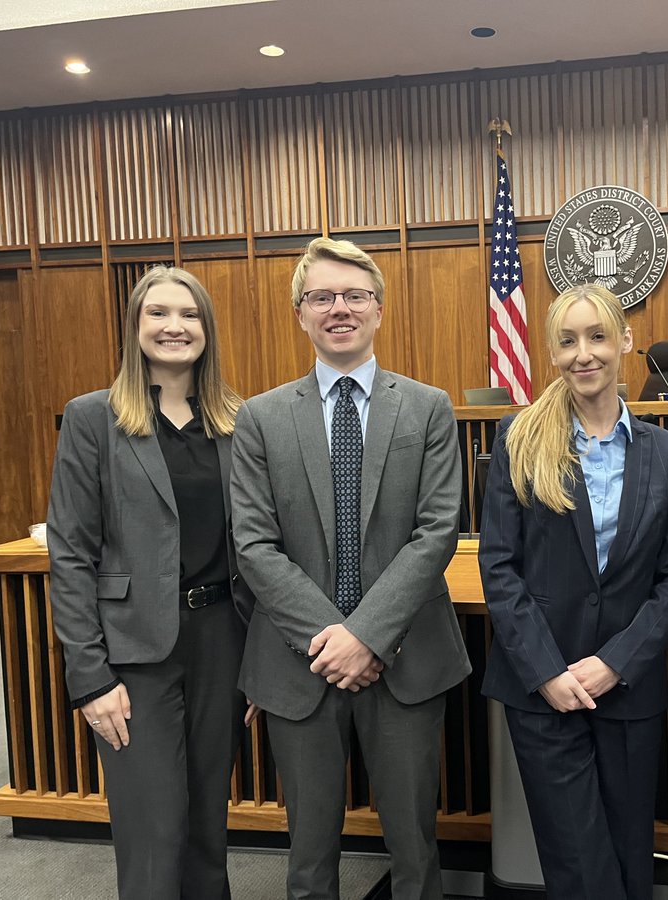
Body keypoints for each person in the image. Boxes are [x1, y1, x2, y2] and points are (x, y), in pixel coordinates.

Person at [230, 237, 469, 900]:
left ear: (379, 310)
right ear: (300, 314)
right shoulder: (260, 418)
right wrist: (334, 640)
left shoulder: (427, 407)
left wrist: (365, 635)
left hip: (406, 658)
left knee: (415, 850)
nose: (339, 308)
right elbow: (254, 545)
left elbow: (437, 533)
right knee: (308, 856)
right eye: (322, 297)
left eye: (355, 295)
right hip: (298, 662)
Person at [478, 284, 668, 900]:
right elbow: (499, 567)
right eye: (568, 341)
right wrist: (548, 672)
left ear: (625, 340)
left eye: (598, 336)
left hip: (627, 686)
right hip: (543, 687)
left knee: (629, 857)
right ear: (552, 352)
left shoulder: (666, 451)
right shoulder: (520, 438)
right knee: (577, 864)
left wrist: (615, 663)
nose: (584, 354)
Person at [47, 266, 256, 899]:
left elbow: (258, 547)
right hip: (134, 652)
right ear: (135, 327)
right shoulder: (93, 418)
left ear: (206, 328)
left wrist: (263, 662)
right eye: (157, 313)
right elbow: (71, 553)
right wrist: (89, 678)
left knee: (208, 824)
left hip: (222, 641)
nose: (174, 326)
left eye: (189, 314)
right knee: (154, 829)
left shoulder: (238, 421)